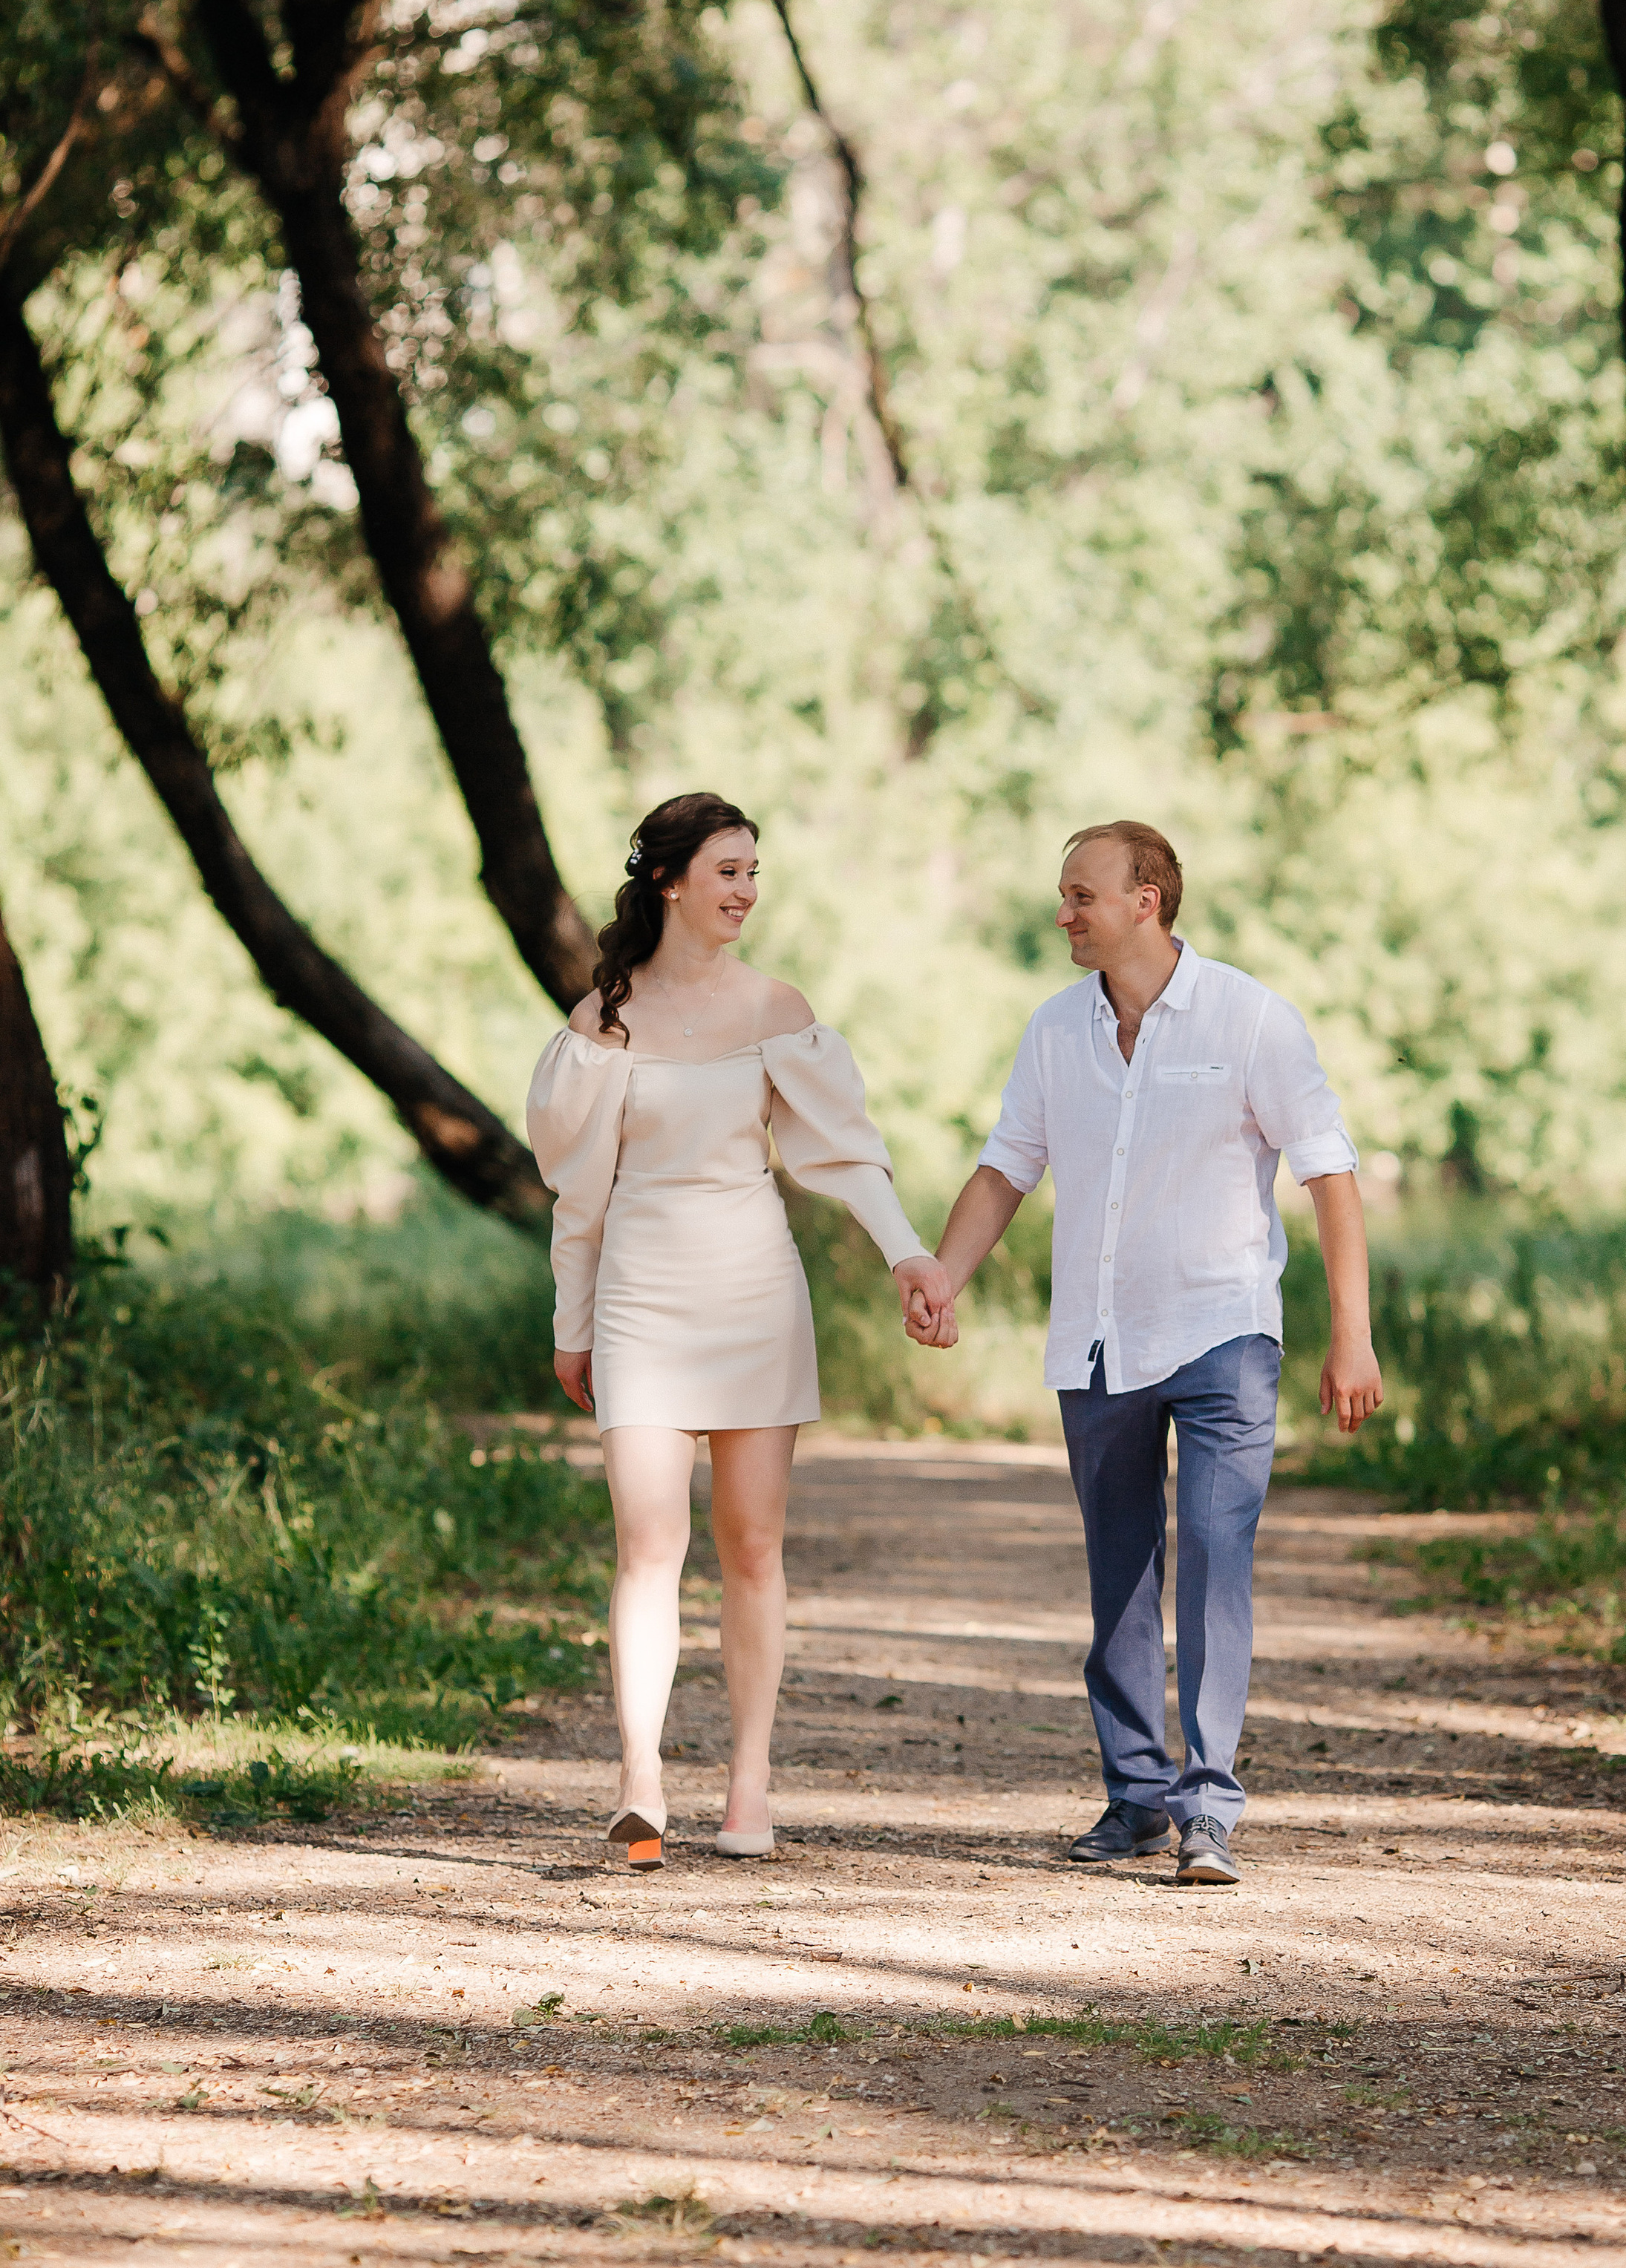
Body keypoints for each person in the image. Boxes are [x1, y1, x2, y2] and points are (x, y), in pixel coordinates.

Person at [921, 820, 1381, 1886]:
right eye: (1063, 895)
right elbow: (1005, 1169)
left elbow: (1330, 1174)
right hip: (1096, 1338)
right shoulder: (1054, 1031)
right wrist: (946, 1272)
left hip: (1223, 1333)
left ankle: (1208, 1806)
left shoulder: (1249, 1018)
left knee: (1219, 1562)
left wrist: (1349, 1337)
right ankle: (1135, 1797)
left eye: (1082, 895)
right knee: (1121, 1573)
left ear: (1147, 901)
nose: (1064, 913)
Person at [526, 791, 955, 1871]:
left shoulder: (776, 1009)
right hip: (639, 1301)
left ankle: (750, 1786)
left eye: (754, 872)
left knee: (752, 1547)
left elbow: (847, 1152)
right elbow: (579, 1202)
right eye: (726, 871)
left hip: (755, 1294)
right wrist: (571, 1324)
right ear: (668, 880)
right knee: (647, 1545)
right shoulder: (601, 1029)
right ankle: (640, 1781)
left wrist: (908, 1250)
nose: (746, 891)